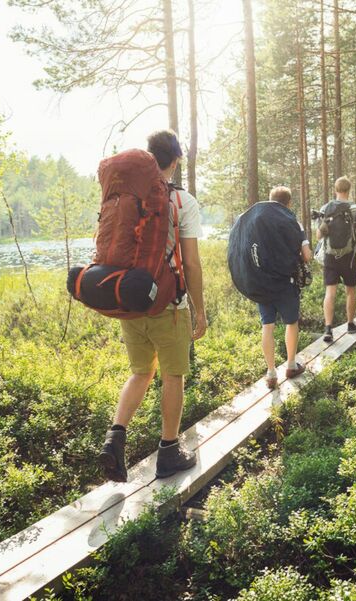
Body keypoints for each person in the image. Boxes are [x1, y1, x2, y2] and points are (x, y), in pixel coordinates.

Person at [99, 129, 208, 482]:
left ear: (148, 157)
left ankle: (115, 437)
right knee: (172, 375)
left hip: (130, 301)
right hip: (169, 305)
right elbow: (191, 263)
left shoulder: (128, 195)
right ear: (175, 160)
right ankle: (169, 450)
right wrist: (200, 309)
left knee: (141, 373)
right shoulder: (182, 201)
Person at [257, 186, 313, 388]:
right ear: (289, 204)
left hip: (262, 284)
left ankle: (271, 373)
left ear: (269, 201)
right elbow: (306, 255)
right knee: (291, 323)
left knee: (267, 326)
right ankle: (290, 365)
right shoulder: (294, 223)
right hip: (286, 283)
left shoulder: (258, 223)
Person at [317, 176, 356, 342]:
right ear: (348, 190)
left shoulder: (325, 208)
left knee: (330, 292)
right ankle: (351, 324)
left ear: (335, 190)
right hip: (349, 256)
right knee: (350, 290)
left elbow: (318, 235)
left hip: (330, 256)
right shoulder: (354, 208)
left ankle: (328, 329)